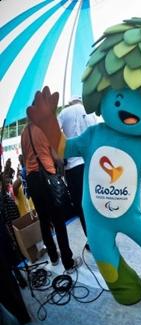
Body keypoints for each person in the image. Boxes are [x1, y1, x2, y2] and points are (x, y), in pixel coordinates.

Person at [20, 122, 80, 271]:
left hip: (32, 180)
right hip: (46, 177)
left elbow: (25, 157)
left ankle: (53, 257)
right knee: (58, 222)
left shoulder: (23, 133)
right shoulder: (44, 128)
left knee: (44, 221)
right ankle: (68, 262)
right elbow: (57, 157)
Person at [58, 96, 98, 239]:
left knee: (81, 205)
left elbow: (54, 135)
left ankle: (91, 239)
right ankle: (104, 236)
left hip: (74, 167)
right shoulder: (90, 112)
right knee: (96, 201)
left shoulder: (64, 113)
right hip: (92, 163)